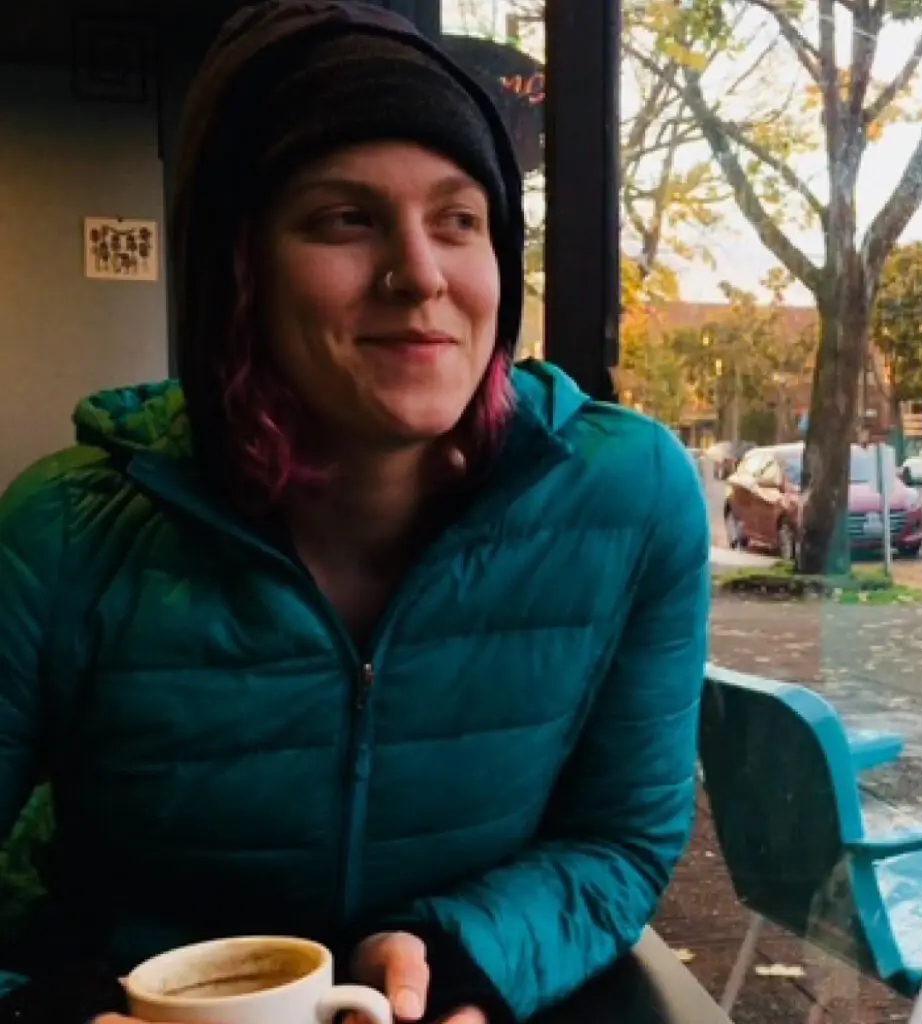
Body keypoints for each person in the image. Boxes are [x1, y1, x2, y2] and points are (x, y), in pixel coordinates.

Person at [0, 2, 710, 1022]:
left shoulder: (630, 499)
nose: (418, 274)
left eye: (458, 220)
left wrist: (459, 955)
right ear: (237, 269)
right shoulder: (63, 533)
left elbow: (619, 841)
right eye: (345, 218)